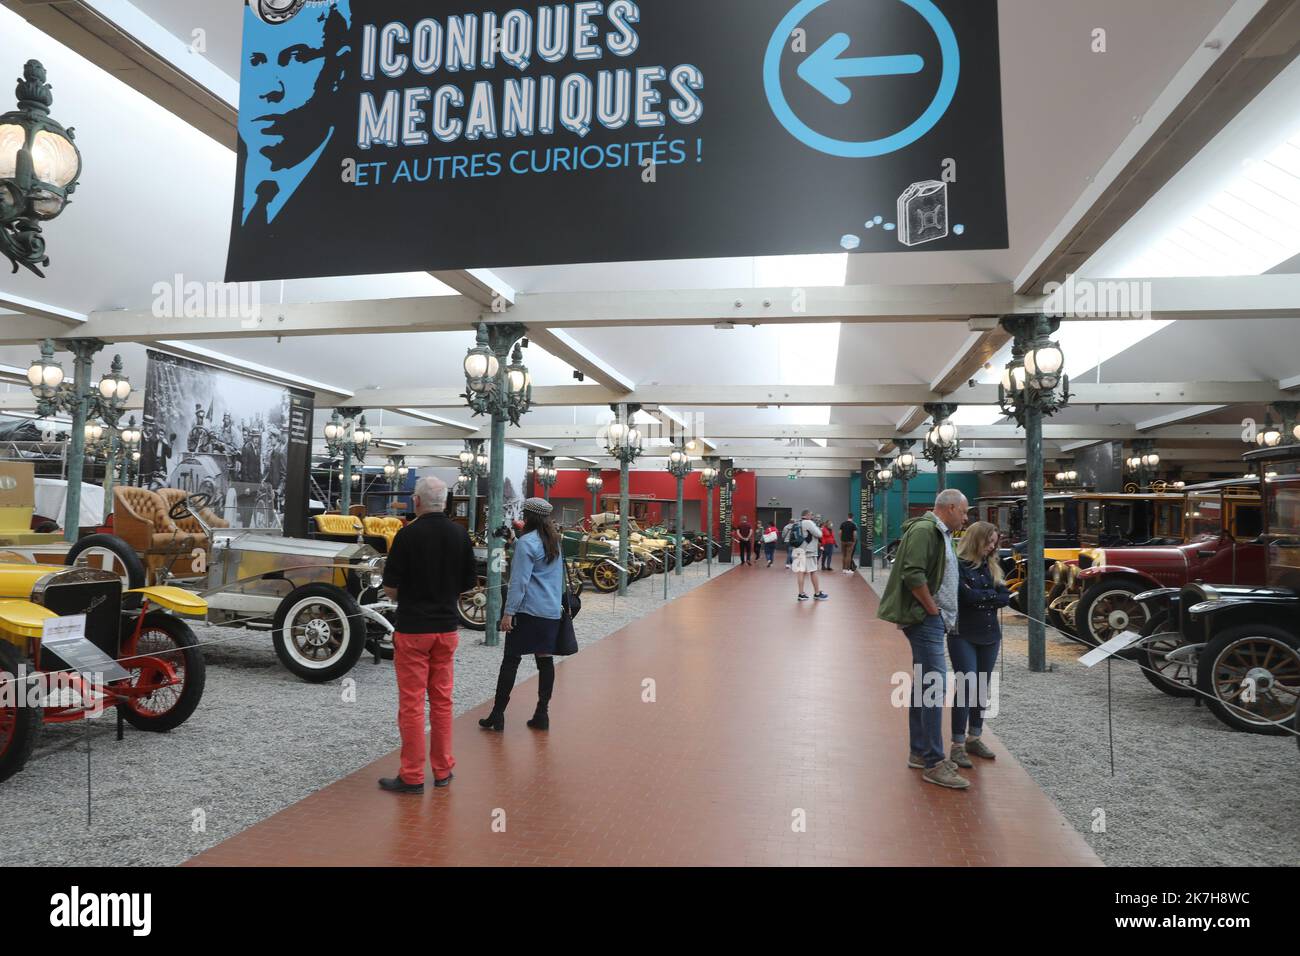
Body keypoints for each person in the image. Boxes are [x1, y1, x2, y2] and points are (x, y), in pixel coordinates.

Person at [379, 476, 478, 793]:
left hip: (412, 631)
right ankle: (443, 769)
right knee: (442, 702)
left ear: (417, 502)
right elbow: (468, 585)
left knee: (411, 704)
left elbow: (390, 589)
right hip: (446, 630)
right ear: (446, 502)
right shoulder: (460, 535)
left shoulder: (406, 536)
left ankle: (412, 776)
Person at [877, 488, 970, 790]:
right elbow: (912, 573)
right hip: (926, 619)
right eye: (964, 512)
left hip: (931, 619)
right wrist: (933, 611)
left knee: (925, 685)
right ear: (951, 507)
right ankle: (933, 761)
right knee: (934, 687)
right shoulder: (926, 531)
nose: (966, 518)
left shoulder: (937, 532)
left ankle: (920, 751)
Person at [480, 498, 566, 733]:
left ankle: (497, 715)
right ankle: (542, 714)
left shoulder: (527, 543)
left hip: (528, 612)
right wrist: (513, 541)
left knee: (511, 661)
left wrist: (508, 613)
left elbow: (519, 582)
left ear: (527, 517)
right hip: (549, 612)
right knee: (545, 661)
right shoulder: (554, 542)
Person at [949, 521, 1010, 768]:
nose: (992, 546)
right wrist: (990, 598)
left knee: (981, 687)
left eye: (994, 542)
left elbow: (1005, 597)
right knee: (966, 686)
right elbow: (967, 597)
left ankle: (975, 736)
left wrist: (983, 598)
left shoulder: (992, 566)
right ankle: (957, 744)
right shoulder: (958, 565)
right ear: (976, 540)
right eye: (988, 541)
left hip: (989, 635)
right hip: (962, 633)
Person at [793, 509, 828, 602]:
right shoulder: (808, 522)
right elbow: (819, 534)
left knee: (800, 572)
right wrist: (819, 529)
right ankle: (817, 593)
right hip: (808, 551)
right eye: (812, 515)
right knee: (813, 571)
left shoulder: (797, 523)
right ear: (807, 515)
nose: (813, 517)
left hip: (798, 549)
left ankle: (801, 594)